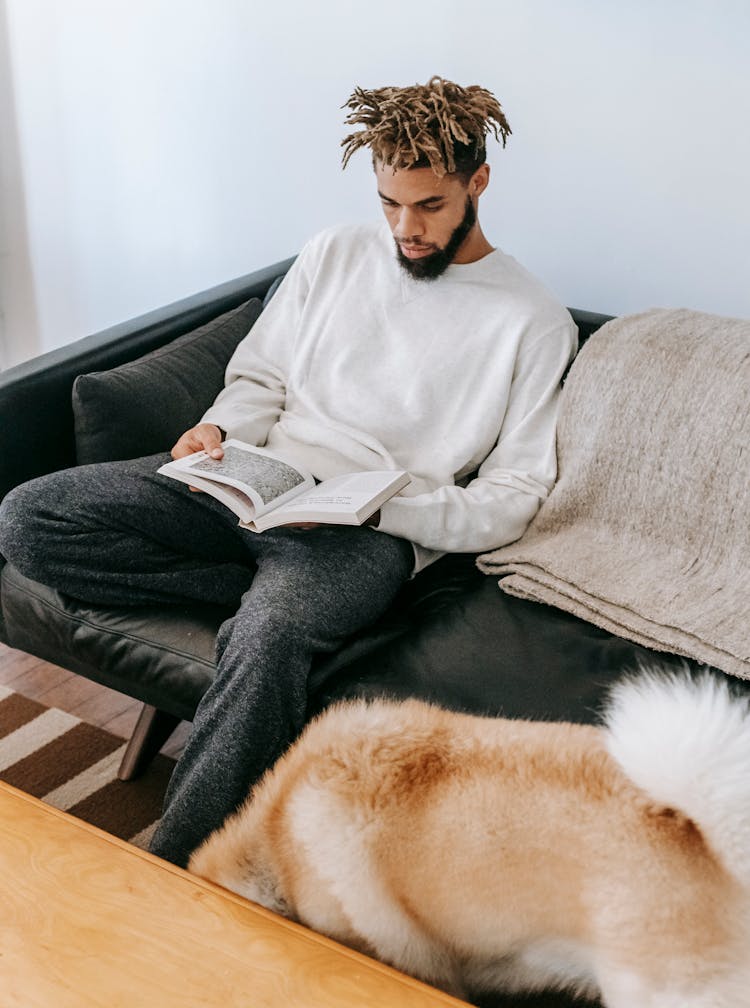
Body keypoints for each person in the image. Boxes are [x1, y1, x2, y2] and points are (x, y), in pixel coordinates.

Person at [0, 76, 577, 868]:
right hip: (250, 481)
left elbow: (510, 502)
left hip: (362, 534)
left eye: (429, 206)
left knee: (269, 638)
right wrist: (218, 429)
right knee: (30, 516)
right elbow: (261, 378)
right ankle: (293, 616)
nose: (404, 229)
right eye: (389, 203)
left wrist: (379, 513)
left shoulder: (532, 322)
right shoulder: (334, 253)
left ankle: (179, 867)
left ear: (478, 183)